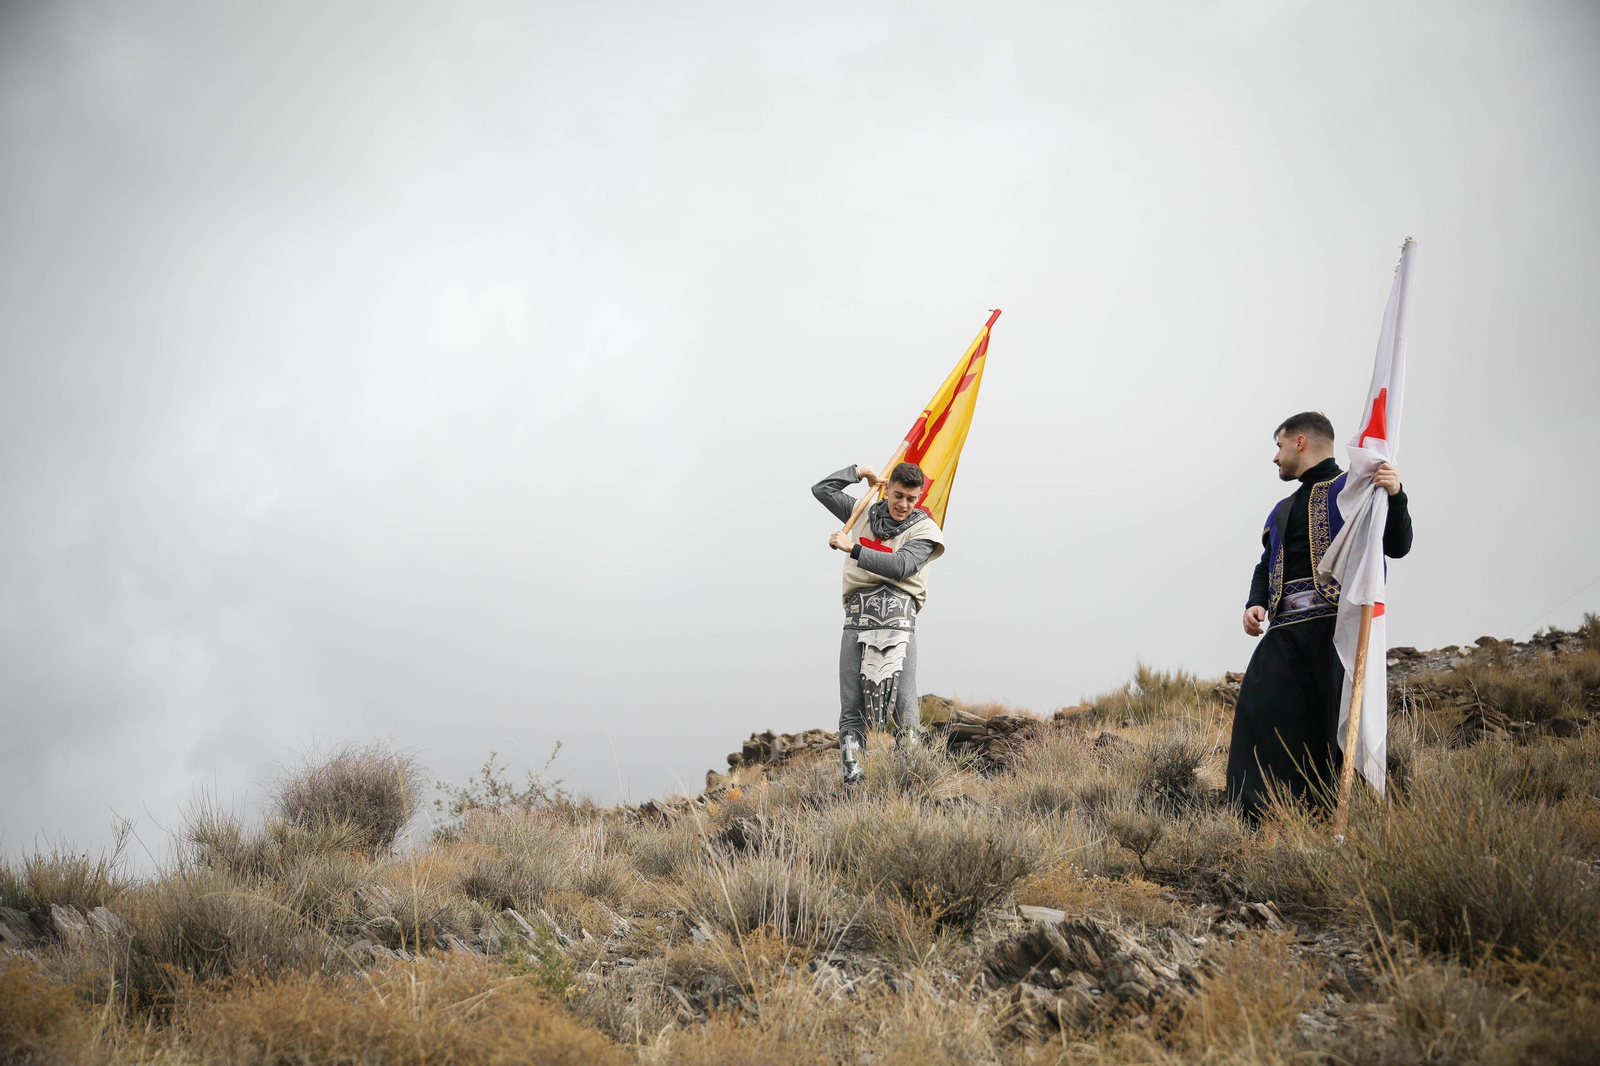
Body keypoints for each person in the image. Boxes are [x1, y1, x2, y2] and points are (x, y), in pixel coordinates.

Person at [1225, 411, 1413, 821]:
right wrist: (1255, 602)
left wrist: (1395, 494)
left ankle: (1343, 817)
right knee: (1259, 715)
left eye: (1279, 446)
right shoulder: (1280, 509)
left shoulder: (1358, 487)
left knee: (1336, 727)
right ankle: (1260, 818)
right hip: (1284, 632)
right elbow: (1265, 565)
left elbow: (1397, 545)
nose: (1275, 457)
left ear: (1300, 442)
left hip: (1338, 628)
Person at [812, 462, 945, 784]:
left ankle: (909, 784)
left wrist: (852, 548)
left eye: (911, 498)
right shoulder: (863, 512)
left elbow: (901, 566)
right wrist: (859, 472)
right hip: (857, 618)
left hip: (899, 623)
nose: (904, 504)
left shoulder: (925, 530)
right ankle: (854, 785)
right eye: (898, 495)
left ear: (919, 497)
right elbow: (822, 490)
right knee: (852, 707)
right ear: (887, 490)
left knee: (904, 708)